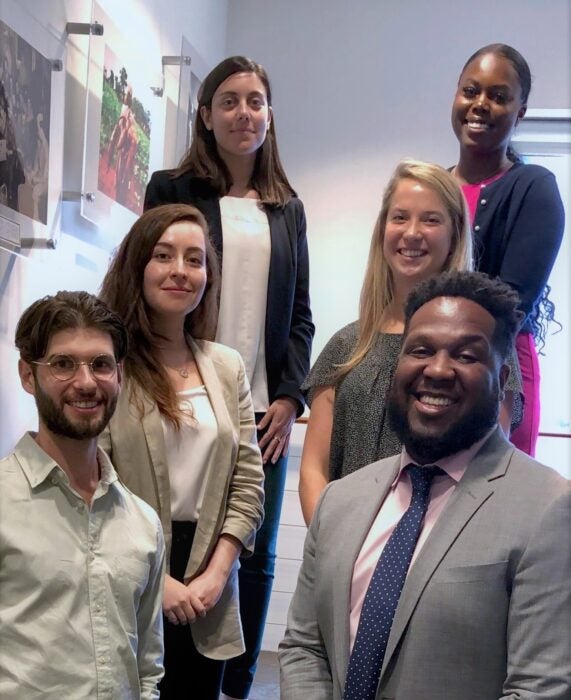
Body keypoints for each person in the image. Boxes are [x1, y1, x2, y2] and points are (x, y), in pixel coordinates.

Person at [280, 271, 571, 700]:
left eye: (467, 356)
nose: (437, 369)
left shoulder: (548, 510)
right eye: (421, 350)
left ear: (502, 376)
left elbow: (540, 688)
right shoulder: (340, 500)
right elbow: (304, 646)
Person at [144, 55, 314, 699]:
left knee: (255, 550)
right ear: (206, 115)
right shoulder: (171, 189)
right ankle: (159, 671)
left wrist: (290, 396)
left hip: (261, 407)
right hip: (179, 387)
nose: (245, 112)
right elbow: (147, 280)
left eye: (257, 101)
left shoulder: (288, 208)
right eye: (231, 100)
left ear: (270, 117)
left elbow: (300, 316)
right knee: (165, 533)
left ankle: (234, 683)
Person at [99, 203, 265, 700]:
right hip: (130, 572)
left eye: (195, 260)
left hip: (208, 582)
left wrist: (218, 573)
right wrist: (160, 580)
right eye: (164, 255)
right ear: (137, 267)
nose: (180, 271)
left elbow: (248, 481)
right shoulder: (108, 364)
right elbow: (97, 480)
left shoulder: (226, 365)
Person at [299, 160, 520, 526]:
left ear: (454, 235)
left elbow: (489, 468)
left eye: (431, 220)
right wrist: (333, 546)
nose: (412, 233)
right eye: (400, 217)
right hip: (346, 551)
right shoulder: (345, 347)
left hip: (440, 556)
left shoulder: (485, 349)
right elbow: (313, 470)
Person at [0, 291, 165, 699]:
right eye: (63, 364)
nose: (86, 382)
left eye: (101, 364)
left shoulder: (143, 523)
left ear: (120, 375)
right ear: (27, 375)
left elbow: (147, 668)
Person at [450, 43, 565, 456]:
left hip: (501, 370)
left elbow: (510, 304)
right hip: (428, 367)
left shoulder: (534, 187)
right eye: (470, 91)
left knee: (494, 502)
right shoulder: (431, 187)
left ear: (520, 113)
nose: (480, 104)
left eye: (498, 97)